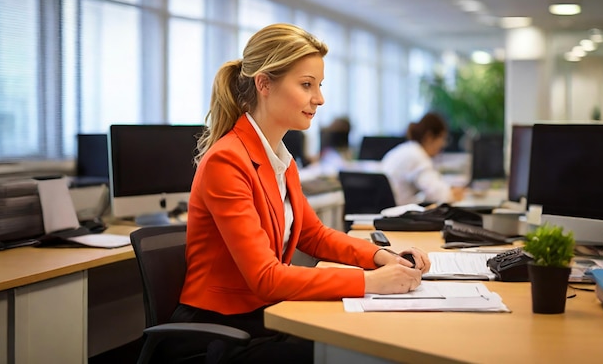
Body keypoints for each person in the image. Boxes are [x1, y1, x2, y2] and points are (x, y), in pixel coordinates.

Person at [172, 23, 430, 363]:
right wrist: (371, 283)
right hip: (220, 331)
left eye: (319, 86)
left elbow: (315, 235)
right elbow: (266, 277)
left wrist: (380, 257)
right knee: (350, 352)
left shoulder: (278, 157)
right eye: (307, 85)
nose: (319, 98)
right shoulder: (227, 160)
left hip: (261, 314)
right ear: (263, 83)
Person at [381, 112, 465, 206]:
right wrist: (452, 193)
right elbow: (438, 194)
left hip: (387, 209)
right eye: (442, 138)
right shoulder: (417, 156)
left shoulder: (405, 149)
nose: (443, 144)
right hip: (399, 213)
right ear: (429, 137)